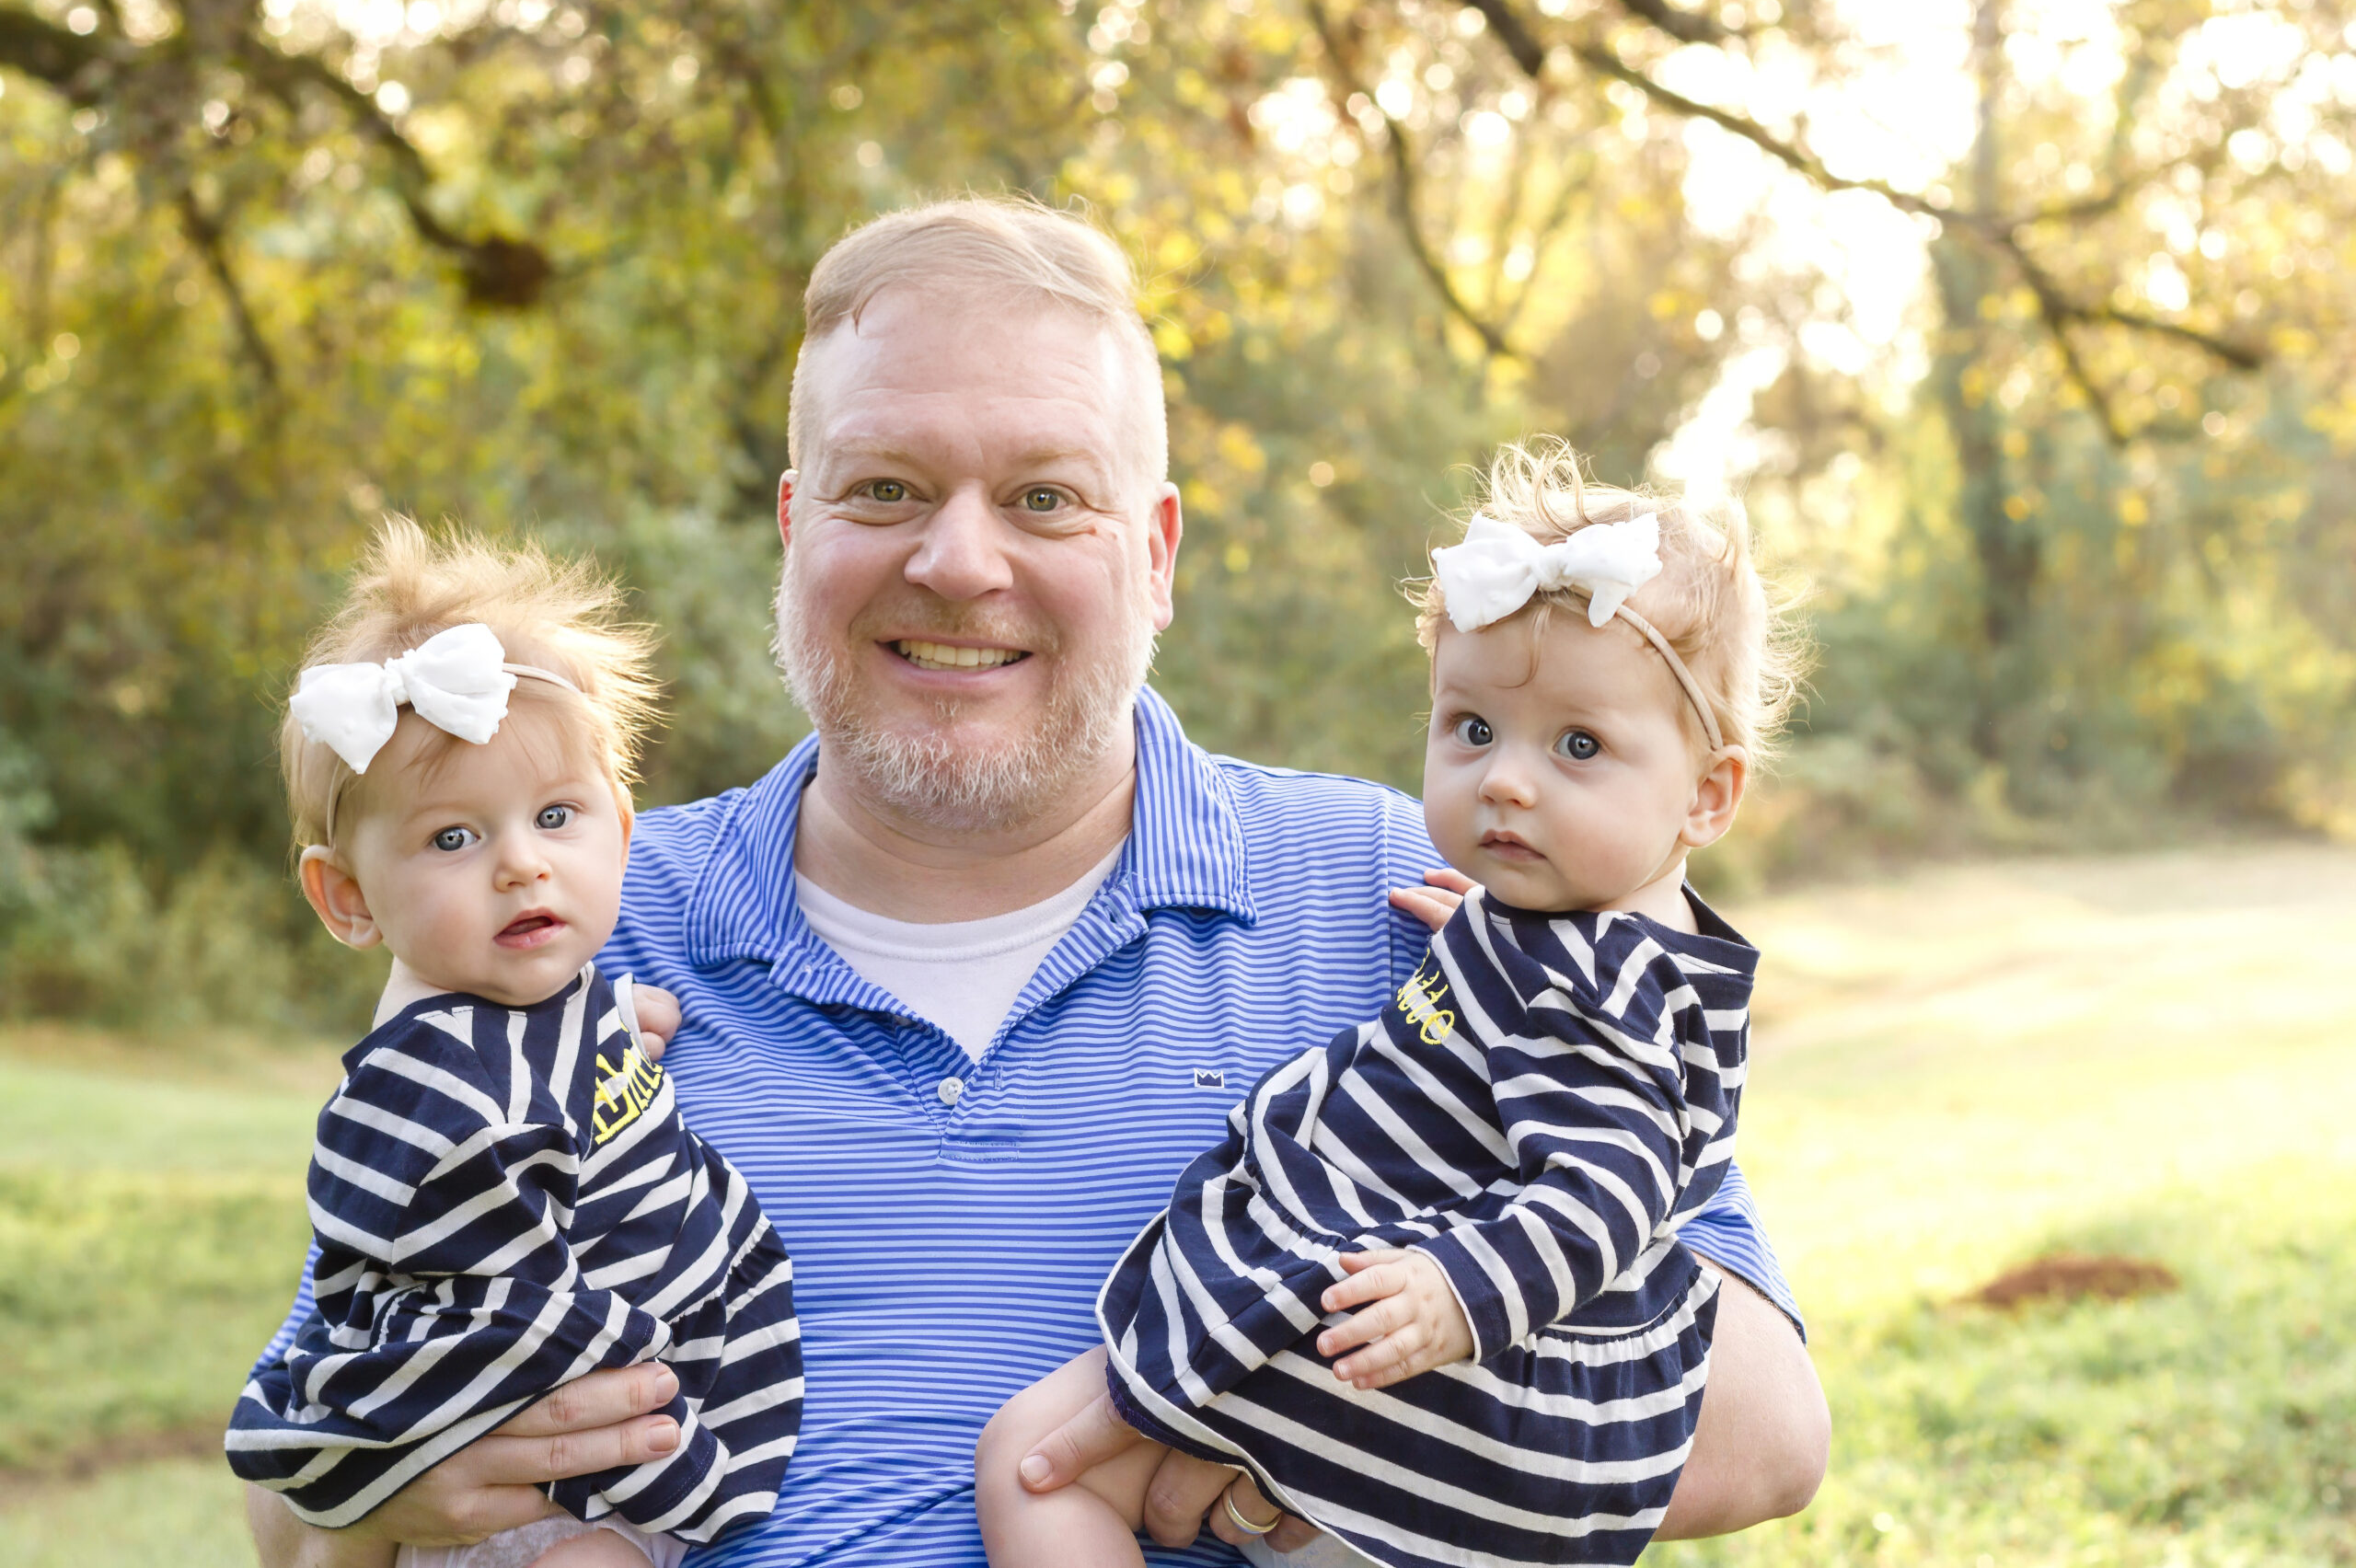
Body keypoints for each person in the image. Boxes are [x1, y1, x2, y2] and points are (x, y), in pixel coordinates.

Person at [247, 197, 1828, 1568]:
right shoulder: (562, 919)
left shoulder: (1424, 903)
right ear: (795, 534)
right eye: (883, 490)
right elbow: (300, 1499)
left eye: (1044, 497)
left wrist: (1267, 1457)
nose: (957, 561)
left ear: (1158, 554)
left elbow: (1760, 1427)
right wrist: (397, 1483)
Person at [977, 441, 1800, 1568]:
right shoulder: (1566, 940)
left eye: (1577, 745)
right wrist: (1494, 926)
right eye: (1471, 728)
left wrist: (1454, 1292)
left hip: (1396, 1329)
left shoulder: (1598, 993)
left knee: (1031, 1463)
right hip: (1394, 1330)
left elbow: (1609, 1190)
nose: (1506, 778)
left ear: (1707, 795)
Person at [231, 525, 802, 1568]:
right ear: (347, 897)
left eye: (554, 815)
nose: (521, 866)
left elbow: (556, 1092)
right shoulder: (423, 1082)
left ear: (621, 829)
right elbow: (482, 1301)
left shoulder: (541, 999)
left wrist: (619, 1034)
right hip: (525, 1463)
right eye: (455, 837)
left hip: (601, 1454)